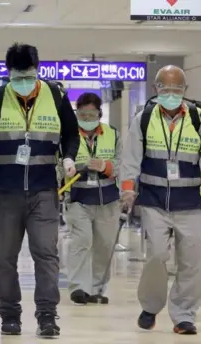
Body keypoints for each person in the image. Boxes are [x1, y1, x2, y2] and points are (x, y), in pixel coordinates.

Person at [0, 43, 79, 337]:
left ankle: (47, 315)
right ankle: (10, 315)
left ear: (36, 70)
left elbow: (70, 132)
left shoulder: (55, 96)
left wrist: (68, 156)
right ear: (9, 74)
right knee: (5, 256)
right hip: (5, 192)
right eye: (18, 77)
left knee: (46, 253)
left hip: (44, 191)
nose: (24, 83)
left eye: (28, 75)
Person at [120, 65, 201, 335]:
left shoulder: (199, 119)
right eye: (166, 89)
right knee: (157, 255)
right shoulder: (143, 118)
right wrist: (127, 189)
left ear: (185, 91)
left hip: (189, 201)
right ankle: (151, 306)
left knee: (192, 260)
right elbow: (130, 159)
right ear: (156, 89)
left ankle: (184, 315)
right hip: (154, 200)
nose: (172, 94)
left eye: (178, 89)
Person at [63, 93, 121, 305]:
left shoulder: (112, 134)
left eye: (92, 114)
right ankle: (79, 287)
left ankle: (97, 288)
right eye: (83, 114)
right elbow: (59, 164)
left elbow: (123, 163)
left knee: (105, 244)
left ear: (100, 114)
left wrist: (106, 167)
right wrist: (76, 168)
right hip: (78, 197)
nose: (87, 118)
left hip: (108, 198)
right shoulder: (68, 136)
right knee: (82, 241)